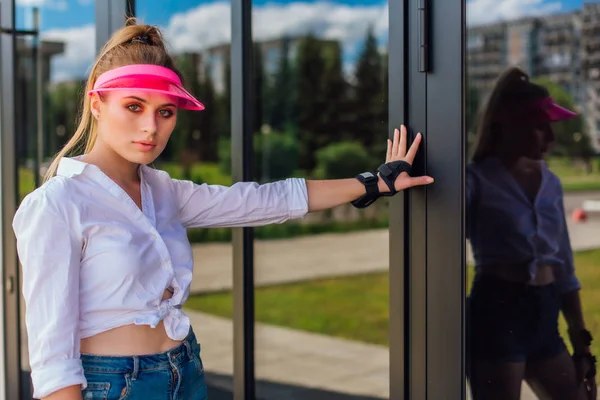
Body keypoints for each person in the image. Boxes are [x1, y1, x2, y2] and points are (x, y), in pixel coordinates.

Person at [12, 20, 434, 400]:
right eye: (134, 106)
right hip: (114, 385)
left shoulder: (162, 191)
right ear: (97, 104)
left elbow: (264, 200)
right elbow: (52, 357)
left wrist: (374, 183)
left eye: (166, 112)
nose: (150, 128)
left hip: (186, 369)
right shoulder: (56, 204)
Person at [465, 66, 596, 400]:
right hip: (496, 314)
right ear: (506, 124)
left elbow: (562, 264)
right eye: (540, 127)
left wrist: (580, 340)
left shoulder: (550, 181)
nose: (551, 138)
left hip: (545, 314)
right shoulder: (475, 181)